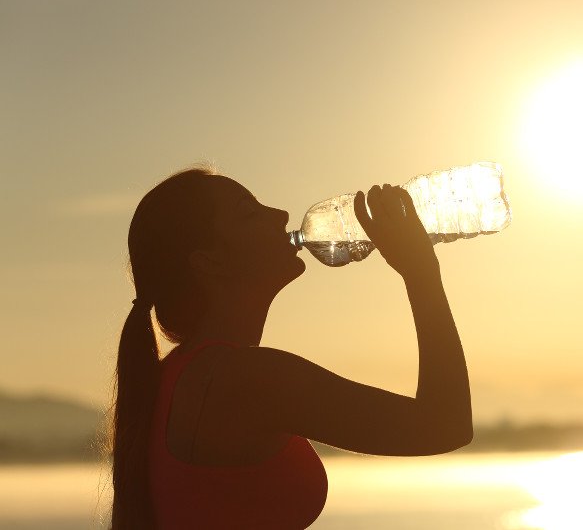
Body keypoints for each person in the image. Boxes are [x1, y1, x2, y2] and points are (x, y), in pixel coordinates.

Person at [107, 165, 473, 529]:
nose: (280, 214)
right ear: (210, 261)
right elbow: (444, 424)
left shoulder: (183, 375)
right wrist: (420, 270)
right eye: (249, 213)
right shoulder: (242, 379)